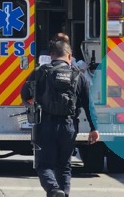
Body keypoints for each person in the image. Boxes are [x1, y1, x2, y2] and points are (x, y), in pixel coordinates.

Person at [21, 39, 99, 197]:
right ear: (69, 56)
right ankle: (63, 193)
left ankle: (53, 190)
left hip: (45, 125)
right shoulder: (79, 75)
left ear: (51, 56)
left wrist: (33, 105)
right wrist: (94, 128)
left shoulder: (41, 71)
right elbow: (88, 105)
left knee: (44, 166)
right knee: (64, 166)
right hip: (68, 127)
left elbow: (25, 94)